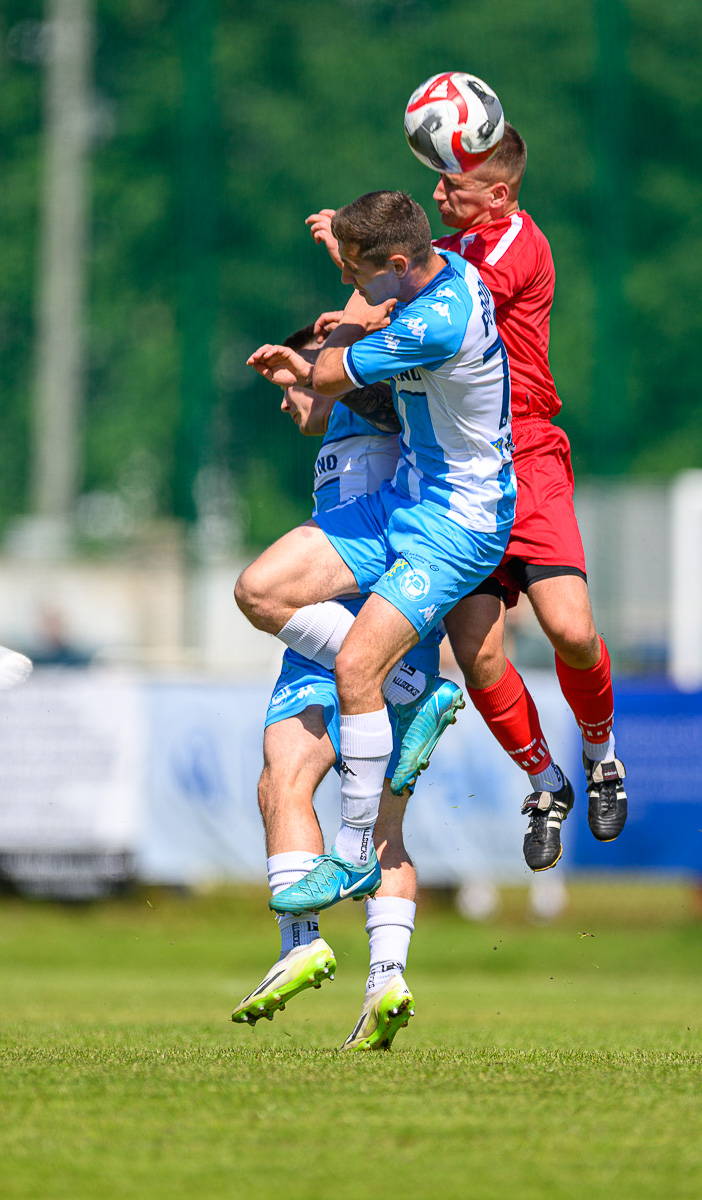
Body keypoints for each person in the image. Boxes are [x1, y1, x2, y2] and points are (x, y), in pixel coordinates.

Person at [307, 124, 628, 873]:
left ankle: (601, 754)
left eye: (453, 182)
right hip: (456, 472)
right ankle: (545, 783)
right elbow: (402, 280)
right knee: (478, 654)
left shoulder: (509, 245)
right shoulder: (447, 252)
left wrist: (363, 296)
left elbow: (428, 297)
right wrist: (360, 268)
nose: (438, 192)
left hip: (527, 451)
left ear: (500, 192)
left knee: (570, 629)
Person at [235, 190, 515, 924]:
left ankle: (355, 854)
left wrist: (336, 335)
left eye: (354, 270)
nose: (345, 284)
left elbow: (330, 376)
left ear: (395, 264)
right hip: (405, 499)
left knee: (357, 668)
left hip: (457, 522)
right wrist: (348, 253)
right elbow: (385, 277)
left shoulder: (439, 321)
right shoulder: (434, 265)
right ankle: (412, 694)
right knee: (260, 590)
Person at [233, 323, 435, 1049]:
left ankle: (364, 966)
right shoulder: (335, 439)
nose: (287, 400)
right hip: (325, 623)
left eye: (294, 386)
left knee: (367, 817)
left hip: (382, 611)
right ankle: (330, 957)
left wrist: (330, 356)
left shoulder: (385, 398)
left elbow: (380, 337)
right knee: (286, 783)